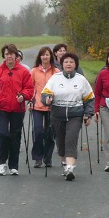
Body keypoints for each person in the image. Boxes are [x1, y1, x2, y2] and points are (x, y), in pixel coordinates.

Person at [41, 53, 94, 181]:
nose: (69, 64)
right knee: (60, 141)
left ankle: (70, 168)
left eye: (71, 62)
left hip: (75, 115)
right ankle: (64, 162)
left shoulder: (81, 79)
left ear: (75, 64)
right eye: (66, 62)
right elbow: (45, 94)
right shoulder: (55, 78)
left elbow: (89, 98)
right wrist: (47, 99)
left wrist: (88, 114)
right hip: (57, 115)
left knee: (71, 138)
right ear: (62, 64)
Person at [0, 43, 34, 176]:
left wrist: (23, 96)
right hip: (2, 108)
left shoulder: (23, 71)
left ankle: (13, 165)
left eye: (12, 54)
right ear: (4, 56)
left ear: (16, 56)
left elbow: (30, 89)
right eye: (7, 54)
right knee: (2, 134)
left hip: (17, 108)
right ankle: (2, 164)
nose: (9, 56)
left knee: (15, 136)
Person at [29, 46, 59, 168]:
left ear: (50, 56)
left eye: (47, 54)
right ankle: (37, 157)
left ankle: (48, 158)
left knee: (49, 133)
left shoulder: (56, 72)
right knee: (38, 131)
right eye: (43, 55)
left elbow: (59, 88)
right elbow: (30, 88)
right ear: (39, 57)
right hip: (37, 106)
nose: (45, 57)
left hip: (52, 107)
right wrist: (30, 101)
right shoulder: (34, 71)